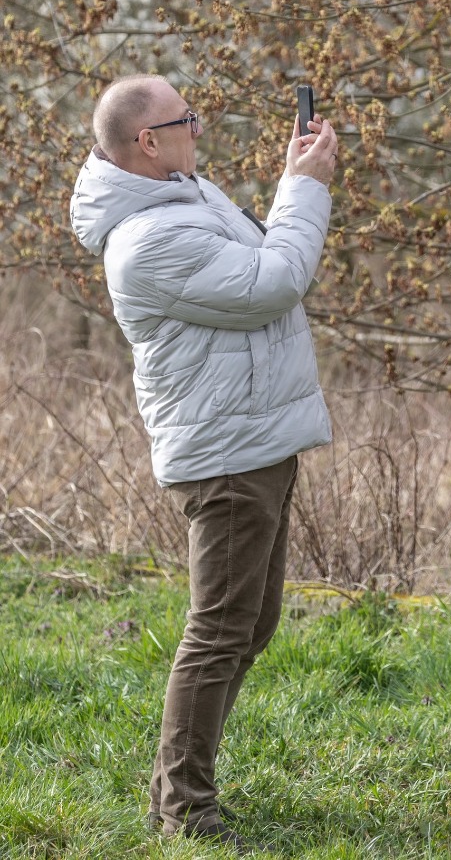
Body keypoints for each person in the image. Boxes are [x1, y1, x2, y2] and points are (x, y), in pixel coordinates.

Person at [69, 75, 338, 853]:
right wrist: (304, 187)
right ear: (147, 142)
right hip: (224, 456)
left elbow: (257, 260)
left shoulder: (182, 194)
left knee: (251, 625)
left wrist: (294, 181)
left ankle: (176, 792)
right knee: (219, 631)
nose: (199, 124)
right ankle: (185, 809)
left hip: (256, 437)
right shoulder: (149, 238)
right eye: (185, 117)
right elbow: (272, 281)